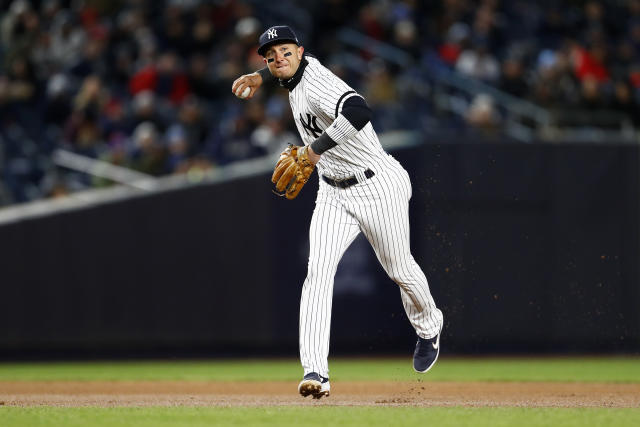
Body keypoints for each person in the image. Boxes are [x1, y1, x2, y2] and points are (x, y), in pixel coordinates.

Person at [232, 25, 443, 399]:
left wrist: (313, 150)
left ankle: (429, 326)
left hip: (377, 184)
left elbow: (359, 110)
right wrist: (260, 76)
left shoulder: (316, 81)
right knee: (317, 273)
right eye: (269, 54)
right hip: (332, 191)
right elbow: (282, 68)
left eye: (284, 50)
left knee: (400, 270)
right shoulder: (292, 71)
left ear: (300, 51)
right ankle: (315, 371)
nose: (277, 57)